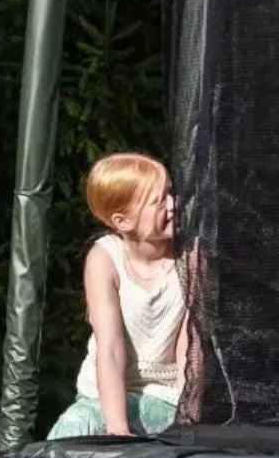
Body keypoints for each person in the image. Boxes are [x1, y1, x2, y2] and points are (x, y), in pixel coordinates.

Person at [46, 152, 188, 443]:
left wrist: (188, 418)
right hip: (105, 397)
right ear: (123, 221)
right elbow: (109, 347)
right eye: (158, 201)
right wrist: (117, 430)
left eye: (171, 193)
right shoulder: (104, 259)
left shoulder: (192, 258)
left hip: (166, 396)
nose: (173, 205)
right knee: (73, 428)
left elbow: (189, 348)